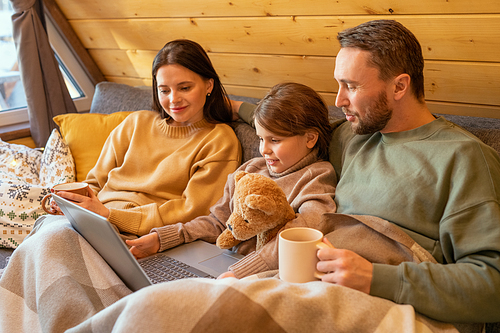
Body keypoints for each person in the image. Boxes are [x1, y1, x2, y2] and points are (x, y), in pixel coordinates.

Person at [235, 20, 500, 323]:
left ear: (399, 86)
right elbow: (289, 126)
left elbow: (492, 285)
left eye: (351, 85)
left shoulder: (464, 158)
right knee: (200, 300)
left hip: (394, 309)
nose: (338, 100)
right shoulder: (354, 135)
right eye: (339, 84)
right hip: (316, 290)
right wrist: (229, 106)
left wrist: (376, 278)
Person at [125, 82, 337, 278]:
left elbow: (298, 238)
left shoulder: (317, 177)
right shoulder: (251, 169)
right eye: (261, 138)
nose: (264, 149)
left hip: (260, 274)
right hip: (226, 261)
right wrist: (165, 238)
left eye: (275, 140)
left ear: (310, 138)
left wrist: (240, 273)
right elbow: (219, 222)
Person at [51, 39, 242, 236]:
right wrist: (71, 204)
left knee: (54, 240)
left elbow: (192, 211)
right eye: (164, 90)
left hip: (139, 232)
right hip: (95, 219)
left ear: (209, 85)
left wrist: (110, 215)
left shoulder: (219, 140)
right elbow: (94, 183)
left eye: (185, 88)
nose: (173, 99)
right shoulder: (135, 123)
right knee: (48, 231)